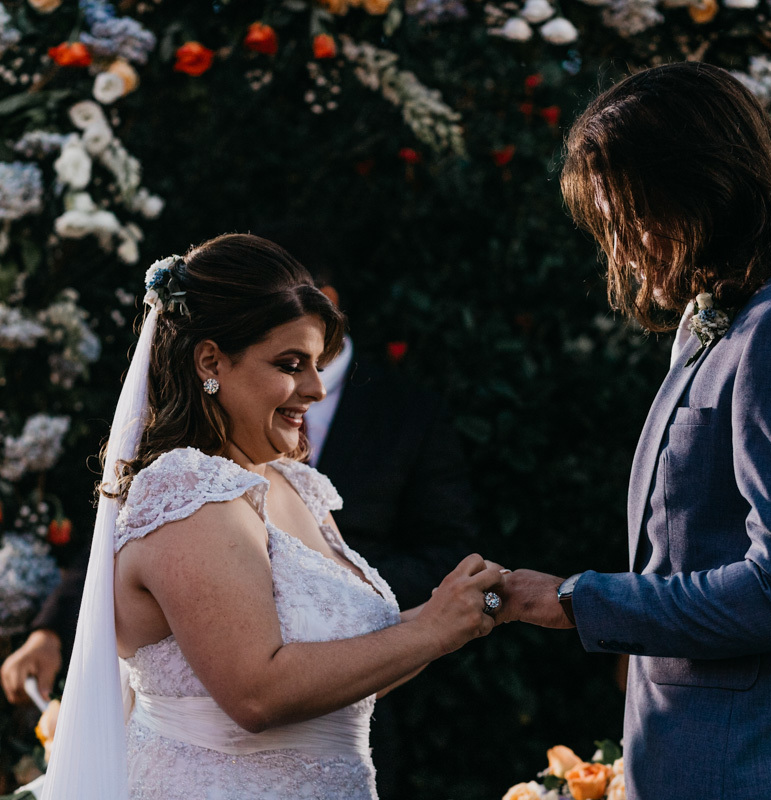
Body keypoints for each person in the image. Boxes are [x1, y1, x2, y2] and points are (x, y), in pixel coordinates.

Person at [496, 63, 771, 800]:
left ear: (705, 189)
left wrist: (575, 601)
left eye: (634, 222)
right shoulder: (721, 317)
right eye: (609, 228)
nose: (622, 254)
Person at [39, 233, 503, 800]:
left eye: (317, 364)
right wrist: (433, 628)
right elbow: (256, 694)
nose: (314, 387)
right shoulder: (186, 491)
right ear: (211, 360)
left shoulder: (291, 483)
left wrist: (452, 615)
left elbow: (353, 669)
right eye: (291, 364)